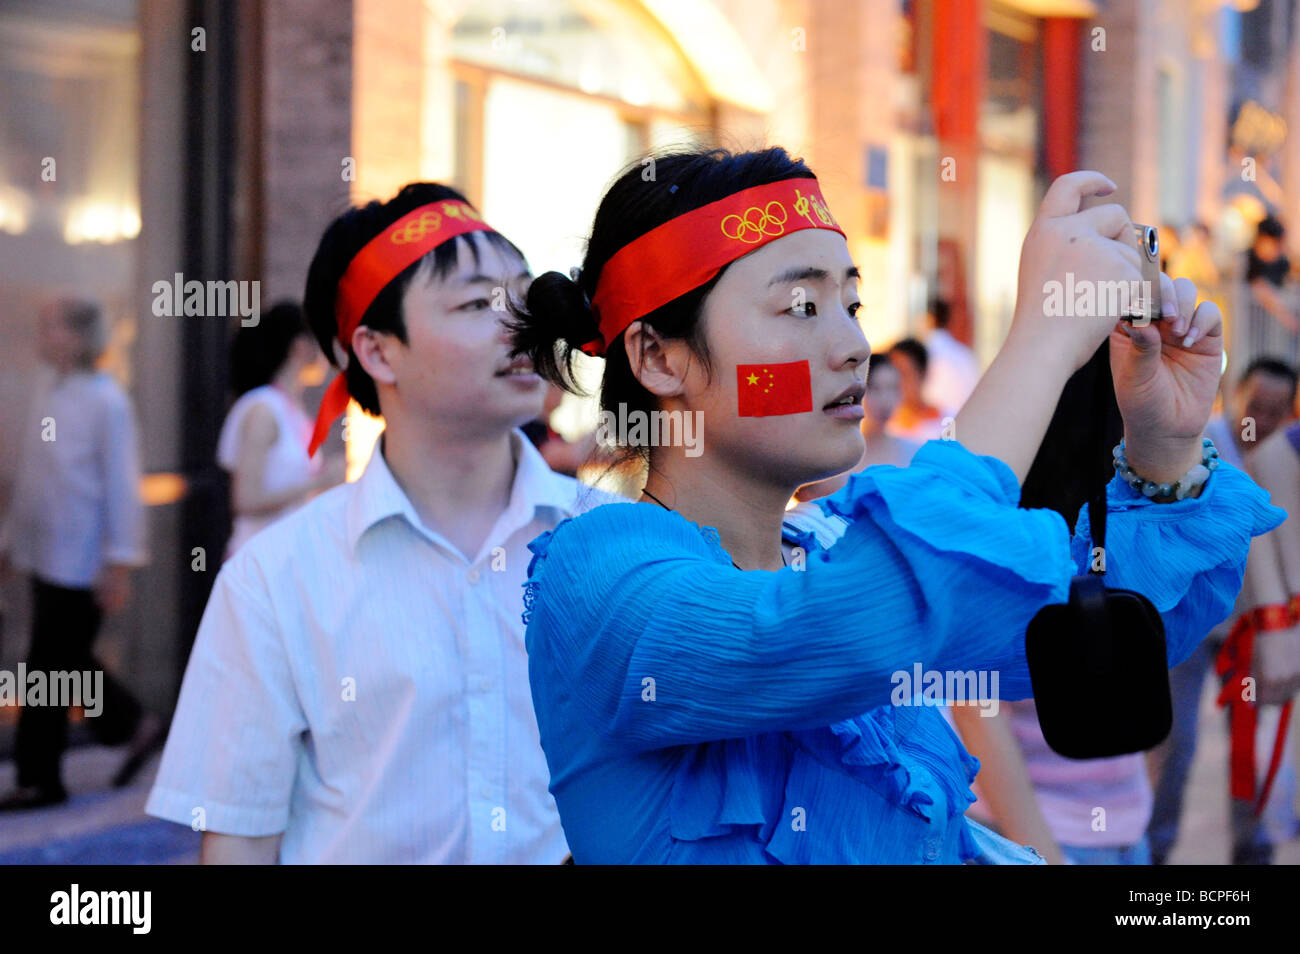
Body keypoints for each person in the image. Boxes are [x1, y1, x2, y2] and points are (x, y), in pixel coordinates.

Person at [508, 147, 1283, 863]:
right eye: (801, 308)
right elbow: (859, 619)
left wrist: (1163, 447)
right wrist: (1043, 341)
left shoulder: (836, 545)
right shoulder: (596, 574)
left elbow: (1111, 625)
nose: (851, 346)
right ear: (658, 357)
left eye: (851, 304)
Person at [145, 183, 615, 862]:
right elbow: (239, 840)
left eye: (521, 295)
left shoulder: (615, 541)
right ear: (376, 350)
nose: (523, 325)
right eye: (477, 302)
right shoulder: (275, 580)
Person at [0, 299, 162, 810]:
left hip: (84, 561)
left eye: (52, 327)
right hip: (46, 553)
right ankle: (134, 724)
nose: (43, 335)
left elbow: (120, 486)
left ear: (76, 337)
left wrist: (118, 563)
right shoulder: (50, 389)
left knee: (48, 667)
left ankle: (40, 779)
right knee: (65, 659)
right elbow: (33, 475)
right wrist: (12, 544)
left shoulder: (106, 401)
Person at [1147, 357, 1298, 864]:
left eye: (1279, 410)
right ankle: (1153, 851)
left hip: (1254, 627)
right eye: (1257, 407)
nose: (1266, 419)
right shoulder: (1197, 444)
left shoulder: (1284, 459)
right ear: (1234, 395)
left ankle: (1251, 850)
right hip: (1189, 624)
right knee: (1176, 745)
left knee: (1250, 744)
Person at [217, 301, 344, 557]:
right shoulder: (263, 409)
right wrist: (319, 482)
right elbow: (246, 498)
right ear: (300, 347)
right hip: (257, 560)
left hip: (284, 557)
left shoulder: (289, 409)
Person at [793, 352, 918, 503]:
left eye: (893, 388)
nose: (886, 400)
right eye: (875, 389)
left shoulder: (914, 454)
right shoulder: (831, 460)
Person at [921, 298, 980, 415]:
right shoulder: (965, 354)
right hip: (961, 421)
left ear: (927, 319)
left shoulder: (925, 354)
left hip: (932, 425)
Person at [886, 337, 949, 442]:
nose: (898, 382)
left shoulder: (948, 424)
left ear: (923, 374)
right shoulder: (883, 427)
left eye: (904, 374)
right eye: (893, 374)